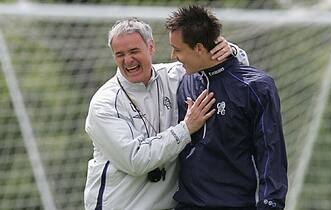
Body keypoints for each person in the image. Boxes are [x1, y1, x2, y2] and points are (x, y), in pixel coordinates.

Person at [84, 17, 248, 210]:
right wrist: (186, 128)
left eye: (134, 51)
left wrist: (231, 51)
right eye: (120, 54)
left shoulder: (175, 76)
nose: (128, 60)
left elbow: (230, 70)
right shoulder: (104, 103)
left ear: (151, 47)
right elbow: (135, 161)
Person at [166, 5, 288, 210]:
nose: (172, 56)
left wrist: (271, 204)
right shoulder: (184, 83)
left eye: (178, 50)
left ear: (198, 48)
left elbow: (271, 153)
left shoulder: (256, 87)